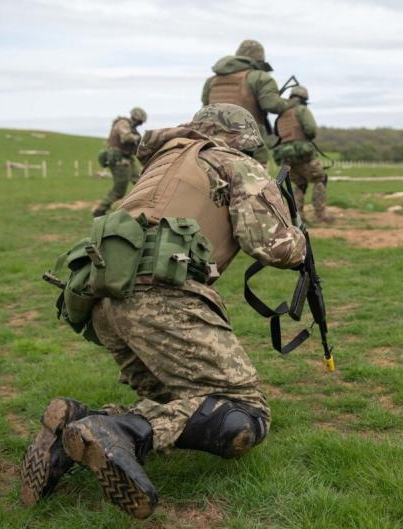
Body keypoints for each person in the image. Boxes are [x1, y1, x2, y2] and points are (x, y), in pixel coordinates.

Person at [19, 104, 306, 520]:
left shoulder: (162, 161)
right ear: (242, 139)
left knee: (178, 401)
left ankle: (76, 429)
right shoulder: (232, 161)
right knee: (245, 414)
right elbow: (275, 247)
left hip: (103, 302)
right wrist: (298, 235)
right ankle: (122, 431)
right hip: (161, 300)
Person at [202, 39, 295, 167]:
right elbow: (272, 105)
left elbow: (205, 108)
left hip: (213, 144)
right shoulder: (260, 77)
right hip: (248, 146)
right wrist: (291, 103)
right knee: (258, 186)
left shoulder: (212, 81)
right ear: (260, 58)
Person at [273, 86, 332, 223]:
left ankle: (298, 217)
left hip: (286, 157)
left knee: (300, 185)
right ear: (304, 99)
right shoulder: (302, 110)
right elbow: (311, 130)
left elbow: (277, 133)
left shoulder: (281, 113)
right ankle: (321, 215)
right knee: (320, 179)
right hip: (303, 154)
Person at [93, 107, 147, 217]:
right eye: (140, 121)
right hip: (119, 160)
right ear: (136, 118)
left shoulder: (131, 127)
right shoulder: (123, 123)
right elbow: (125, 137)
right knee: (119, 190)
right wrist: (138, 138)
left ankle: (144, 207)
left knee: (141, 182)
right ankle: (100, 210)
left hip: (128, 159)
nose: (140, 124)